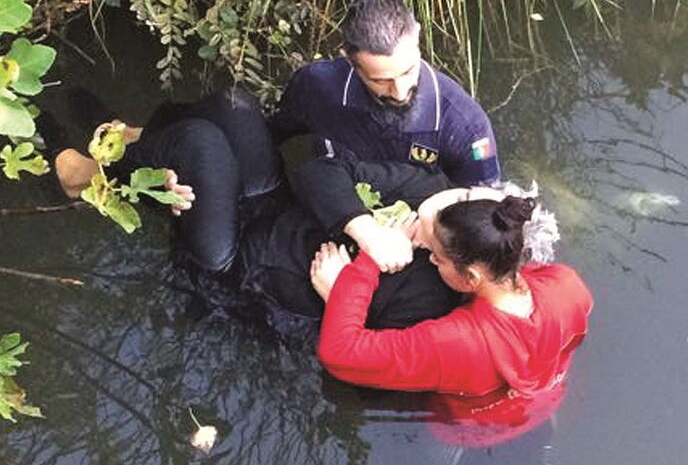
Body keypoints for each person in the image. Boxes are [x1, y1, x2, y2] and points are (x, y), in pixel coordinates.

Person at [43, 89, 472, 328]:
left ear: (451, 263)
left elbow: (362, 364)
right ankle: (127, 138)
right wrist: (364, 228)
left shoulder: (428, 303)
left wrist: (343, 298)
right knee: (236, 106)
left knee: (198, 141)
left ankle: (76, 175)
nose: (415, 228)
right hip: (271, 205)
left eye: (427, 240)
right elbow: (318, 172)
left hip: (239, 264)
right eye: (427, 215)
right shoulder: (432, 191)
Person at [312, 193, 594, 396]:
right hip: (545, 404)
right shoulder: (566, 284)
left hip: (469, 434)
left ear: (471, 276)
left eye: (437, 257)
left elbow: (339, 353)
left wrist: (363, 269)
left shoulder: (454, 342)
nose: (431, 261)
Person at [271, 0, 501, 187]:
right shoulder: (314, 86)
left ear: (418, 35)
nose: (400, 92)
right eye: (381, 81)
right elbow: (285, 142)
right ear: (350, 60)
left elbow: (483, 210)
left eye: (408, 71)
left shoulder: (468, 128)